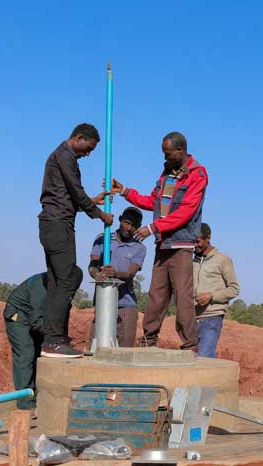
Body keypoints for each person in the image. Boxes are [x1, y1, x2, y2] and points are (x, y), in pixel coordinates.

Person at [111, 132, 208, 351]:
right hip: (162, 244)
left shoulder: (197, 174)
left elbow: (185, 212)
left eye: (168, 153)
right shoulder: (167, 173)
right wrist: (125, 191)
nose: (164, 157)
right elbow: (152, 202)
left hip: (180, 245)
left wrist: (153, 227)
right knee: (156, 295)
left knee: (182, 297)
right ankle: (149, 340)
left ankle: (190, 345)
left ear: (180, 150)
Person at [38, 123, 114, 358]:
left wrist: (91, 201)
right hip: (58, 226)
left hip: (55, 223)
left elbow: (66, 197)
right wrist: (100, 214)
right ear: (79, 138)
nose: (87, 154)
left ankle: (55, 338)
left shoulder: (60, 156)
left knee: (60, 280)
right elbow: (75, 190)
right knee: (67, 278)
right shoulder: (65, 156)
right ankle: (52, 341)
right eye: (87, 148)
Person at [2, 268, 82, 410]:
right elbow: (35, 321)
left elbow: (61, 317)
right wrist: (54, 336)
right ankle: (25, 403)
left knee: (41, 355)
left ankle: (39, 398)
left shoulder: (64, 290)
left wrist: (62, 338)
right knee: (26, 354)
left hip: (38, 320)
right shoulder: (41, 287)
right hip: (19, 316)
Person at [88, 207, 147, 347]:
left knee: (124, 352)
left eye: (134, 226)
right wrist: (97, 274)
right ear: (120, 219)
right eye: (126, 223)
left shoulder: (139, 248)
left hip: (126, 305)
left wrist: (115, 274)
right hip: (103, 302)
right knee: (97, 347)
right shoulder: (103, 239)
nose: (129, 228)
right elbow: (92, 265)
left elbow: (130, 274)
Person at [192, 223, 240, 358]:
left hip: (212, 317)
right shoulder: (193, 262)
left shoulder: (222, 260)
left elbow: (234, 289)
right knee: (193, 360)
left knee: (204, 358)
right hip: (192, 318)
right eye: (193, 242)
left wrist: (211, 296)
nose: (195, 245)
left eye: (198, 241)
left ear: (208, 238)